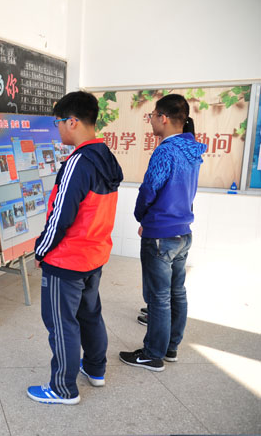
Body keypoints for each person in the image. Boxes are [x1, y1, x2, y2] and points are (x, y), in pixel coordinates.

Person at [27, 91, 123, 405]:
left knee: (61, 322)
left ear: (73, 122)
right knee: (89, 314)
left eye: (58, 122)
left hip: (67, 259)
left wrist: (41, 250)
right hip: (94, 254)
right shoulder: (105, 156)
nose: (57, 129)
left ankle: (63, 388)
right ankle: (95, 368)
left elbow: (61, 216)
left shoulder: (78, 163)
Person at [119, 94, 206, 372]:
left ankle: (153, 354)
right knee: (177, 292)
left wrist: (141, 216)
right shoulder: (192, 149)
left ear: (163, 118)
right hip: (183, 232)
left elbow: (149, 189)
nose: (151, 120)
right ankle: (170, 348)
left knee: (159, 297)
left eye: (153, 115)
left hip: (160, 234)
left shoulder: (165, 151)